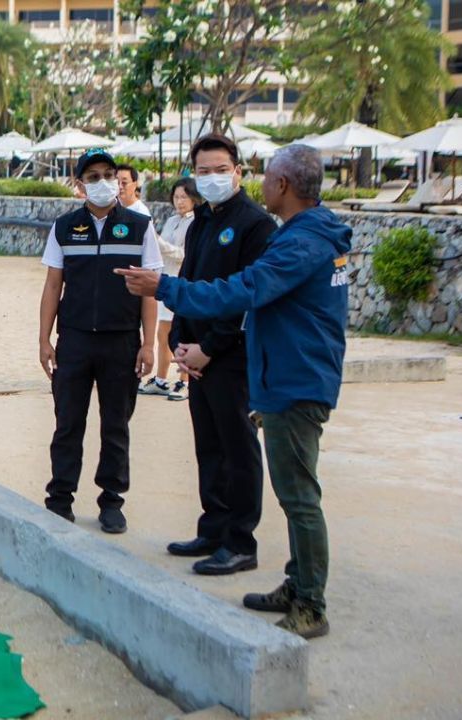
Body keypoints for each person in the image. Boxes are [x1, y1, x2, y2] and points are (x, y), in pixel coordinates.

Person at [117, 144, 352, 638]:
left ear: (282, 186)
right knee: (287, 488)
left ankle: (310, 602)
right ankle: (297, 582)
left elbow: (240, 292)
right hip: (284, 374)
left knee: (299, 496)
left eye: (265, 176)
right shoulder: (305, 234)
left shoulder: (297, 243)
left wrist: (163, 288)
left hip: (295, 380)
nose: (262, 184)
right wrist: (182, 334)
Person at [159, 135, 275, 577]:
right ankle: (213, 527)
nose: (210, 178)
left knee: (238, 449)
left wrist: (210, 347)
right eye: (202, 171)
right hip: (196, 355)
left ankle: (241, 541)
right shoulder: (202, 221)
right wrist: (180, 345)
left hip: (231, 356)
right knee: (208, 445)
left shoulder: (255, 225)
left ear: (238, 172)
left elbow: (247, 296)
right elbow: (188, 281)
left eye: (219, 169)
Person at [38, 149, 160, 533]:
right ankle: (60, 498)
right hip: (73, 340)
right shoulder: (63, 227)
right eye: (93, 176)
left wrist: (149, 344)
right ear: (79, 185)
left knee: (116, 425)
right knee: (68, 422)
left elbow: (150, 291)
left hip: (121, 341)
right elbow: (53, 285)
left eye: (109, 174)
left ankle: (111, 501)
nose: (103, 182)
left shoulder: (141, 226)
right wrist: (44, 340)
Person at [139, 177, 199, 401]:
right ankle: (161, 378)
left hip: (183, 282)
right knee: (162, 333)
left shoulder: (195, 223)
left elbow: (183, 254)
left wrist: (158, 242)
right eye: (176, 197)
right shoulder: (173, 220)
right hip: (165, 281)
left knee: (183, 334)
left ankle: (184, 380)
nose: (180, 201)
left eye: (184, 197)